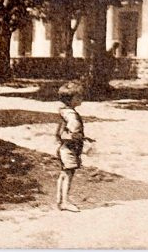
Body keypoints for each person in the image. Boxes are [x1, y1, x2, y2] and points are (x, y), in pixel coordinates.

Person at [54, 81, 93, 212]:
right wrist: (81, 138)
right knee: (68, 174)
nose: (81, 98)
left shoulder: (64, 111)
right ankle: (64, 201)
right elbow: (73, 130)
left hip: (64, 147)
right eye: (78, 97)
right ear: (71, 99)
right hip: (69, 148)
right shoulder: (71, 115)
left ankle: (60, 200)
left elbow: (60, 132)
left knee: (64, 174)